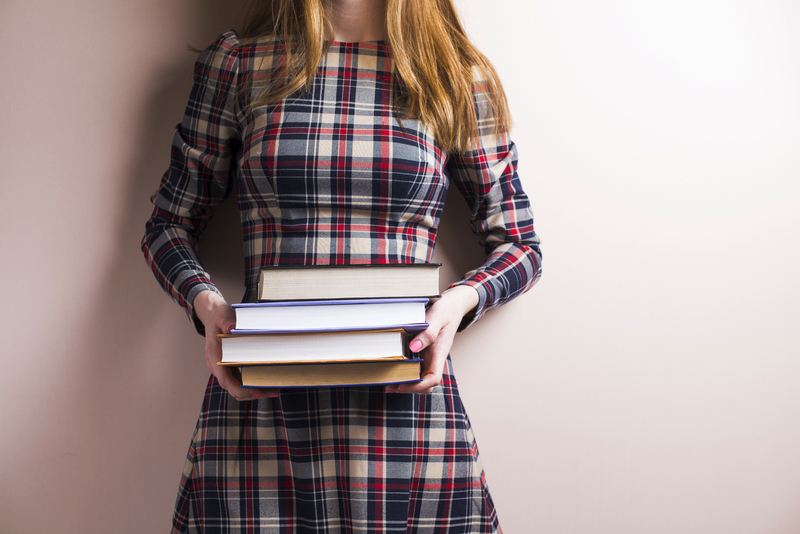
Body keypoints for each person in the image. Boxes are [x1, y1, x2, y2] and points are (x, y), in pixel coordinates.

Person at [142, 0, 542, 531]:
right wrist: (208, 306)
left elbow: (520, 244)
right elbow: (167, 226)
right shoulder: (238, 65)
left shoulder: (454, 75)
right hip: (261, 403)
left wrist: (456, 306)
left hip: (404, 405)